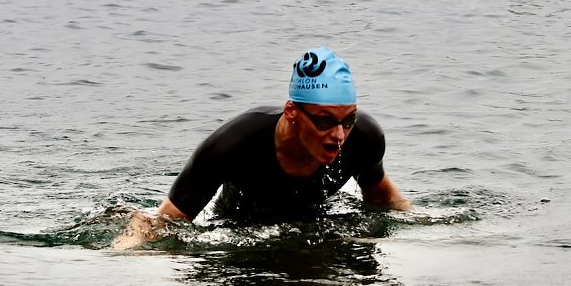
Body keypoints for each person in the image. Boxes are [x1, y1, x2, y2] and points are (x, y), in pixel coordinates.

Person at [114, 47, 410, 250]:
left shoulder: (364, 138)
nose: (338, 135)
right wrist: (123, 255)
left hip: (316, 225)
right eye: (324, 121)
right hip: (238, 231)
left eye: (348, 120)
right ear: (292, 112)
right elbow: (166, 222)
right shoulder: (233, 145)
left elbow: (385, 201)